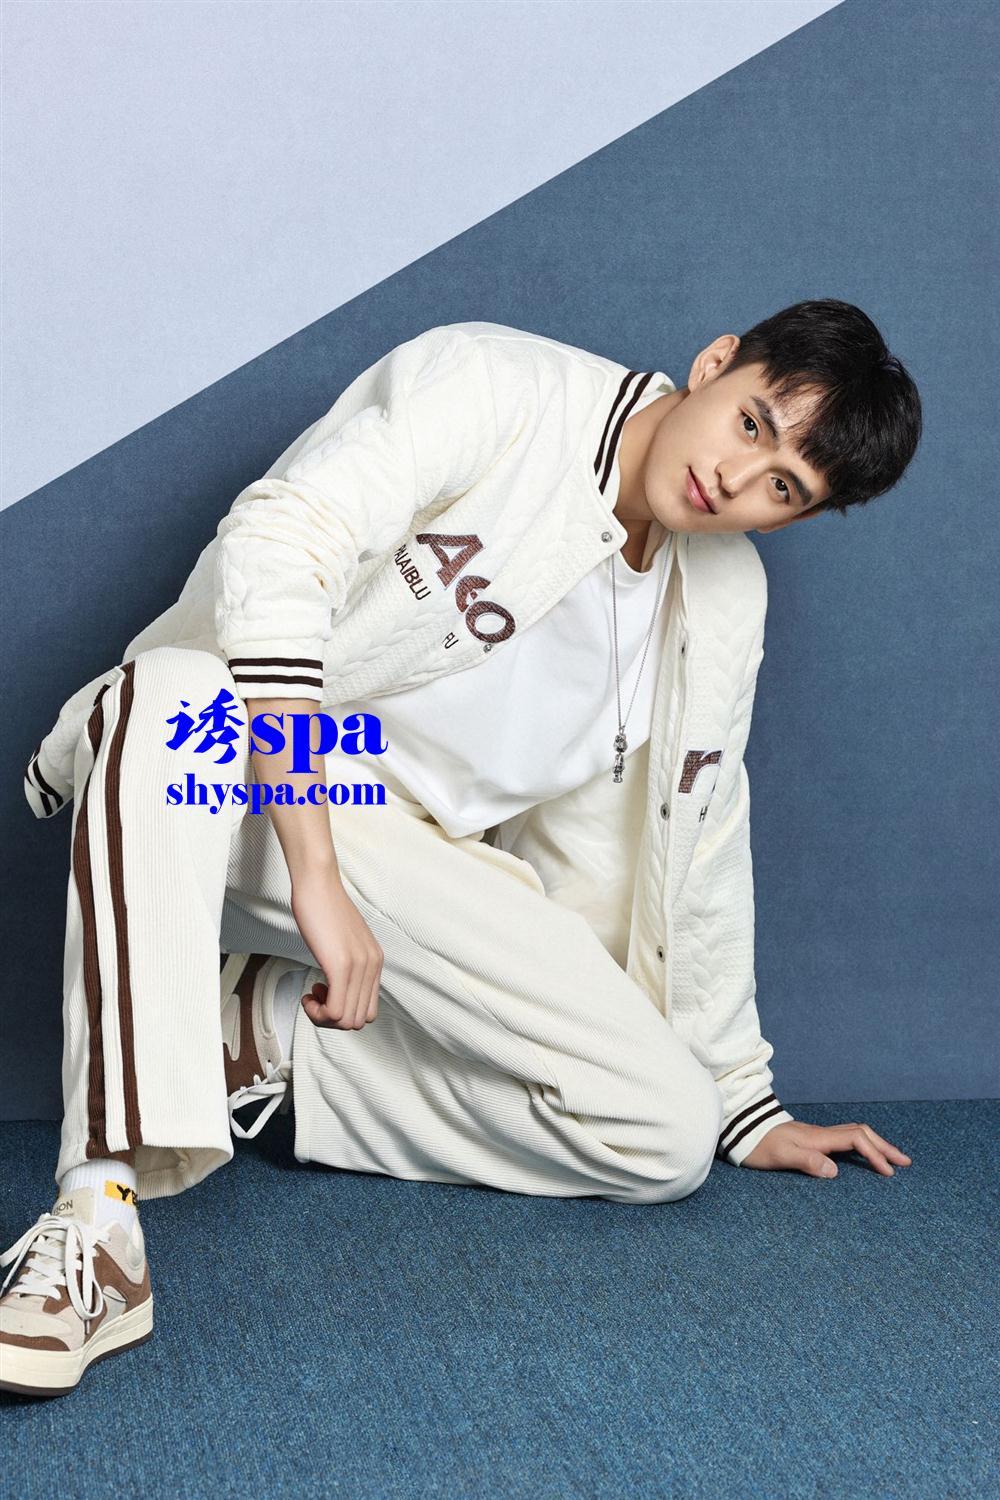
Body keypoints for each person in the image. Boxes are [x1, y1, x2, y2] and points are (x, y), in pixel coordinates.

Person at [1, 301, 921, 1398]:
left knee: (663, 1136)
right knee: (169, 695)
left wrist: (739, 1094)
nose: (735, 478)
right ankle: (97, 1221)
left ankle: (265, 1033)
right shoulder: (495, 383)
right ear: (716, 362)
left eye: (783, 488)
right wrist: (315, 871)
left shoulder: (720, 598)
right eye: (752, 423)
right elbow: (279, 540)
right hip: (231, 775)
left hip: (415, 856)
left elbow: (704, 827)